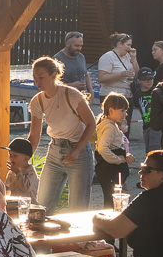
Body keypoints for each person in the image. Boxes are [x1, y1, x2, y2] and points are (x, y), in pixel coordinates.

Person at [26, 56, 97, 213]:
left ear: (53, 75)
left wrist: (76, 150)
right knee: (41, 206)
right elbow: (34, 136)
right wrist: (24, 159)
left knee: (77, 209)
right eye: (35, 78)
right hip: (54, 151)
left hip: (78, 152)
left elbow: (91, 123)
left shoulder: (71, 94)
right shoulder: (37, 100)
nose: (37, 81)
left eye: (41, 77)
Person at [93, 92, 134, 207]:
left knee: (113, 198)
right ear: (111, 110)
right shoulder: (109, 127)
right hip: (111, 171)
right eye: (122, 111)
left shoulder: (110, 125)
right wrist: (117, 159)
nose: (125, 114)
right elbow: (102, 148)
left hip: (112, 170)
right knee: (113, 200)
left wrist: (126, 156)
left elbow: (116, 146)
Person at [97, 33, 137, 103]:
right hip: (112, 96)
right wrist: (121, 74)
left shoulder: (128, 56)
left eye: (130, 45)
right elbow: (101, 78)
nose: (130, 48)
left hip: (127, 95)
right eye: (128, 45)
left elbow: (137, 75)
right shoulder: (107, 57)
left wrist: (134, 58)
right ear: (120, 44)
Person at [53, 32, 91, 96]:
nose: (79, 49)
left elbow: (86, 75)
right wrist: (71, 85)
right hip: (63, 97)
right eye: (76, 46)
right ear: (67, 44)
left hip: (80, 97)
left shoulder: (81, 57)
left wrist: (91, 92)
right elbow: (52, 83)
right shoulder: (57, 59)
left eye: (81, 46)